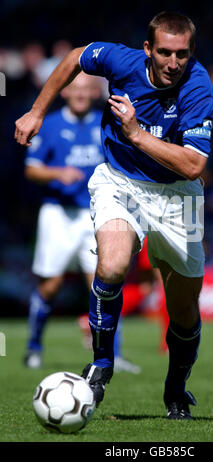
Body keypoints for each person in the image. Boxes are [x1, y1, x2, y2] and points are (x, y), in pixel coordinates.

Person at [15, 11, 213, 420]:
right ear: (148, 50)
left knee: (184, 310)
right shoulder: (121, 61)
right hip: (118, 182)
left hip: (180, 196)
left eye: (182, 53)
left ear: (191, 52)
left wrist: (137, 134)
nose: (173, 62)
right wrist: (36, 111)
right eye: (164, 52)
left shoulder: (198, 85)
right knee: (112, 262)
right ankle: (102, 362)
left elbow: (194, 166)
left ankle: (176, 388)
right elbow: (73, 57)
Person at [23, 72, 141, 374]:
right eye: (74, 89)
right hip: (58, 213)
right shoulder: (50, 125)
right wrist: (58, 174)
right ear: (64, 93)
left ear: (93, 93)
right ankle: (33, 348)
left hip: (94, 214)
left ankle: (113, 355)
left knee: (105, 282)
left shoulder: (104, 123)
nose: (80, 94)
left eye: (86, 90)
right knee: (51, 286)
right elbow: (32, 170)